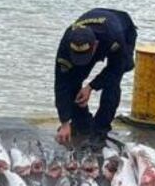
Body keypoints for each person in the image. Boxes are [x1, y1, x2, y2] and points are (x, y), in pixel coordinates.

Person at [54, 8, 137, 148]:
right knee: (72, 79)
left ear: (96, 46)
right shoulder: (66, 43)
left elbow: (116, 69)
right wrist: (64, 122)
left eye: (84, 57)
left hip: (123, 30)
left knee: (112, 84)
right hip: (98, 29)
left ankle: (100, 131)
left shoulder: (113, 37)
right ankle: (81, 123)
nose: (82, 62)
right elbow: (61, 83)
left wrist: (91, 86)